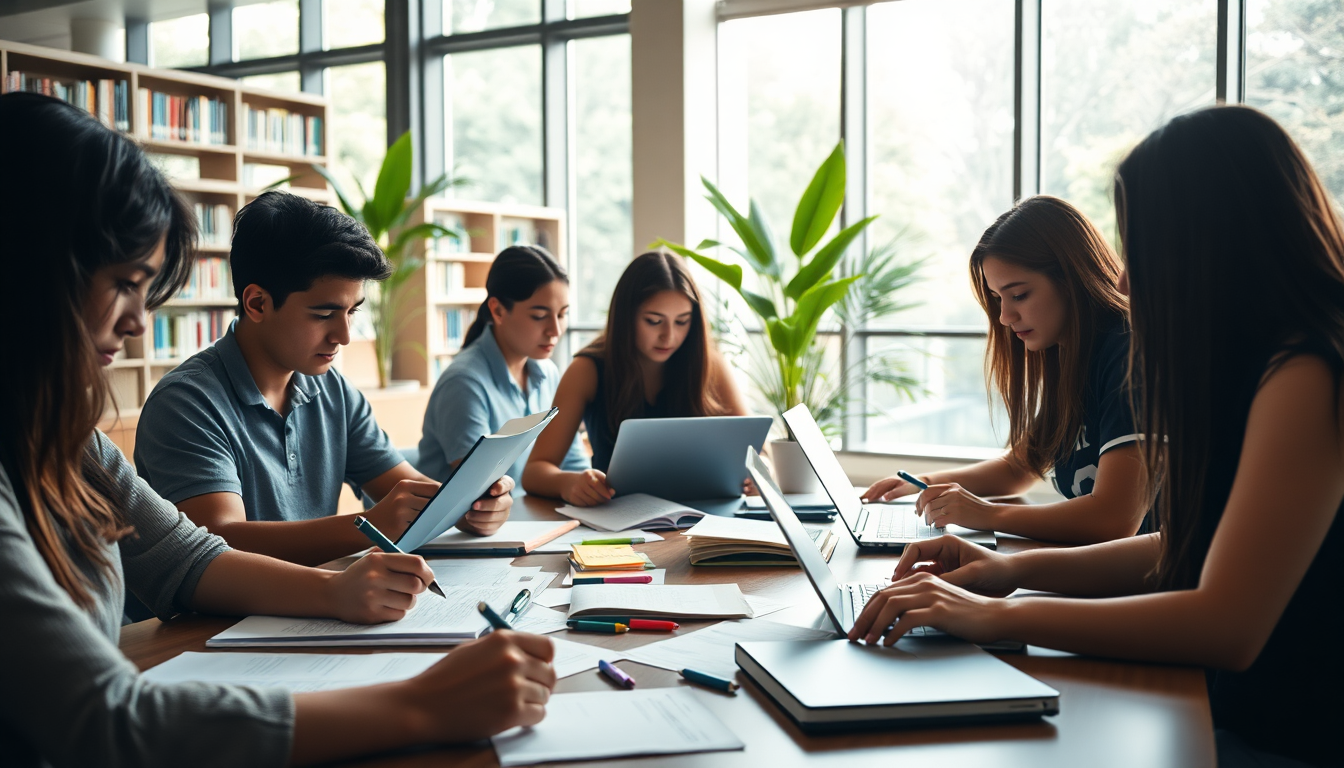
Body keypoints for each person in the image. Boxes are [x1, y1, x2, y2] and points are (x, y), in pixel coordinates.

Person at [0, 92, 555, 768]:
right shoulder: (187, 399)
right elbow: (106, 719)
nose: (139, 322)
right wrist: (423, 704)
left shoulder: (71, 441)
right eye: (123, 282)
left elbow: (187, 557)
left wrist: (377, 561)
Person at [851, 105, 1343, 768]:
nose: (1124, 280)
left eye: (1142, 249)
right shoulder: (1260, 364)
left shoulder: (1311, 372)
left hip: (1285, 739)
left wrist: (999, 615)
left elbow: (1227, 625)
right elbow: (1184, 548)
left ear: (1214, 246)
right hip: (1234, 713)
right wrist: (1008, 571)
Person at [133, 191, 513, 568]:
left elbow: (409, 492)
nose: (344, 336)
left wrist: (466, 506)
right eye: (324, 314)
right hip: (228, 611)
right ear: (257, 303)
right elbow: (220, 544)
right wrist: (369, 527)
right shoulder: (185, 403)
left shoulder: (334, 391)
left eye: (352, 312)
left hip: (321, 599)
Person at [863, 196, 1148, 544]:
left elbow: (1114, 519)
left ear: (1072, 280)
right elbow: (1019, 468)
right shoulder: (1073, 355)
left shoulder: (1129, 352)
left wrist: (986, 514)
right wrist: (926, 483)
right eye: (999, 298)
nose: (1004, 317)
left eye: (1020, 295)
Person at [523, 251, 748, 505]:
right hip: (618, 516)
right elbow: (535, 472)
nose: (669, 336)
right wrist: (568, 483)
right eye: (654, 321)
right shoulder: (587, 370)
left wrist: (761, 469)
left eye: (682, 322)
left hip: (706, 514)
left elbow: (755, 450)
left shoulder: (709, 365)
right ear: (625, 317)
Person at [418, 245, 588, 484]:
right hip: (478, 509)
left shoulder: (548, 373)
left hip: (530, 507)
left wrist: (589, 485)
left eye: (562, 315)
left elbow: (573, 462)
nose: (555, 330)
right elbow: (479, 489)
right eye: (539, 316)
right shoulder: (463, 383)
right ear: (497, 310)